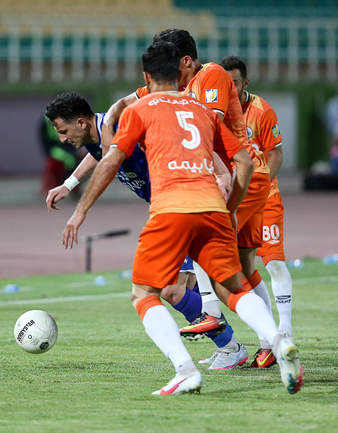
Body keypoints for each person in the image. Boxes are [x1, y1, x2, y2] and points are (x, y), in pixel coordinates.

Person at [61, 41, 302, 395]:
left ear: (146, 77)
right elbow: (244, 162)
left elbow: (111, 159)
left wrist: (79, 210)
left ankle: (185, 369)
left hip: (172, 208)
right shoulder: (202, 108)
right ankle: (279, 342)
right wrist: (230, 208)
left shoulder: (140, 109)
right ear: (180, 73)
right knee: (233, 285)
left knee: (144, 292)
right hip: (213, 207)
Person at [104, 29, 273, 368]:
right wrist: (110, 124)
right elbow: (122, 105)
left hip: (241, 175)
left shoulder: (211, 74)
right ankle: (271, 341)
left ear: (186, 61)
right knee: (244, 269)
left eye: (173, 65)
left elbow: (206, 131)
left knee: (208, 245)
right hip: (226, 177)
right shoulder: (174, 87)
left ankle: (217, 315)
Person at [44, 92, 248, 370]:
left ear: (81, 122)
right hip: (173, 207)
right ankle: (242, 344)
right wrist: (69, 184)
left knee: (174, 289)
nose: (62, 139)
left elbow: (178, 138)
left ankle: (238, 345)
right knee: (191, 287)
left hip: (185, 206)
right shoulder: (98, 135)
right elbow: (99, 155)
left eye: (63, 131)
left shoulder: (123, 126)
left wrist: (219, 171)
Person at [221, 55, 293, 368]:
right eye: (226, 85)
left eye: (235, 84)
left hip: (265, 198)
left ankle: (285, 333)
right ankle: (268, 343)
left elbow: (276, 153)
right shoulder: (219, 112)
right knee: (245, 267)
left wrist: (261, 187)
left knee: (273, 262)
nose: (231, 90)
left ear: (245, 83)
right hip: (238, 198)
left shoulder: (261, 111)